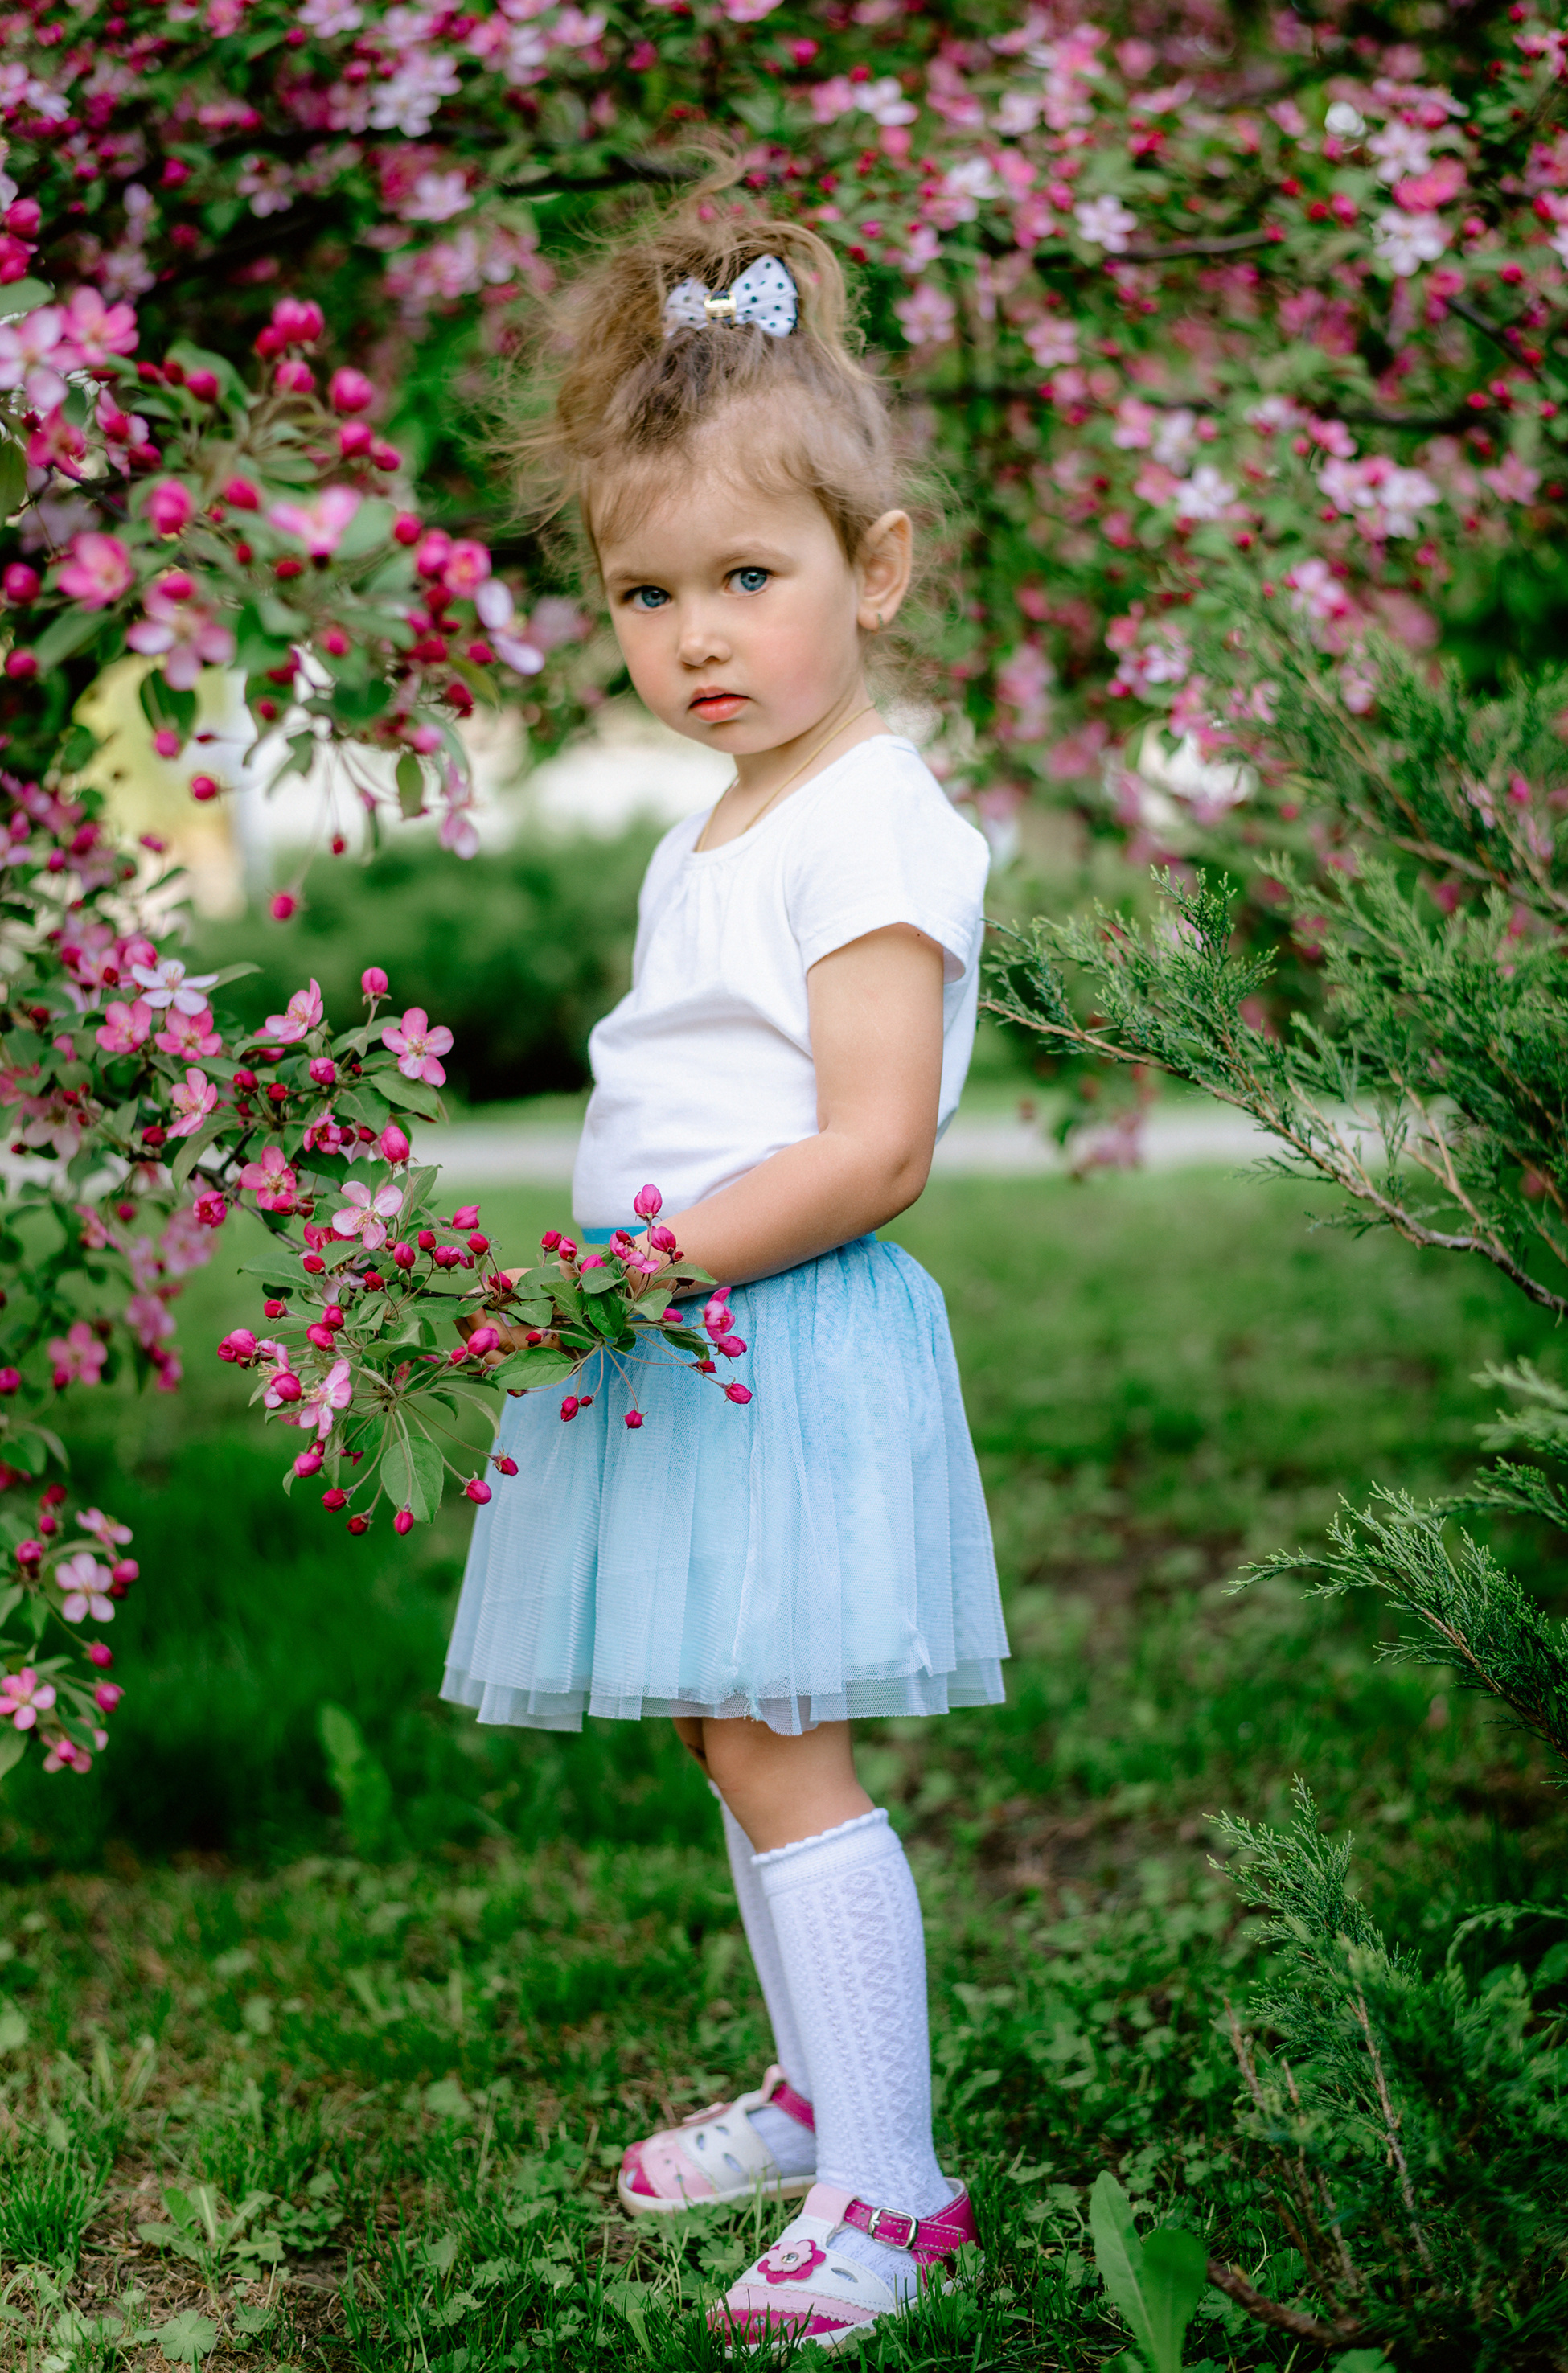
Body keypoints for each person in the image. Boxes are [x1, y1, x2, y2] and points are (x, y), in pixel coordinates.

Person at [440, 199, 1009, 2352]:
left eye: (747, 579)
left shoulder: (874, 821)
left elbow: (871, 1147)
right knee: (727, 1732)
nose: (694, 635)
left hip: (766, 1329)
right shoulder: (731, 821)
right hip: (680, 1325)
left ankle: (891, 2184)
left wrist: (632, 1272)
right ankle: (811, 2089)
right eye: (646, 593)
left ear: (873, 572)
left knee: (786, 1745)